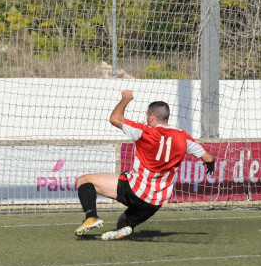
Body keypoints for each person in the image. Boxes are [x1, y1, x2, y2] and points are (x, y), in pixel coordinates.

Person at [74, 89, 216, 240]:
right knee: (123, 223)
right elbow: (209, 158)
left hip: (136, 190)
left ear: (151, 116)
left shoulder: (144, 132)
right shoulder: (183, 137)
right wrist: (210, 166)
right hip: (156, 201)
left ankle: (91, 217)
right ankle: (124, 228)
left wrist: (126, 99)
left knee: (84, 181)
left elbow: (115, 119)